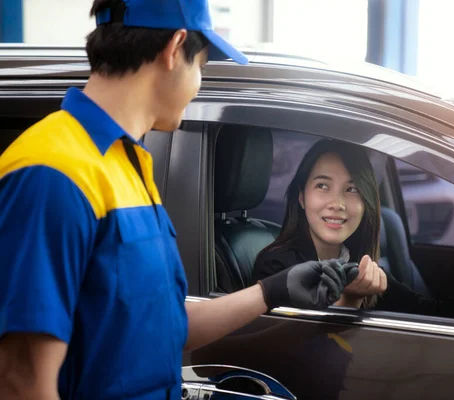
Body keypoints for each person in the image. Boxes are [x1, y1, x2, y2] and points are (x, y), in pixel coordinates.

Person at [0, 1, 359, 399]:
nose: (198, 82)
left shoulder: (128, 167)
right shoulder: (52, 172)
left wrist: (271, 291)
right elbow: (23, 379)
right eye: (201, 66)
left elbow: (164, 327)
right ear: (175, 48)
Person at [252, 138, 454, 318]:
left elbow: (437, 314)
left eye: (352, 190)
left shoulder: (360, 265)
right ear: (301, 197)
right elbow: (298, 349)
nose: (337, 203)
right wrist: (348, 302)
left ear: (366, 204)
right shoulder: (276, 265)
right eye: (323, 186)